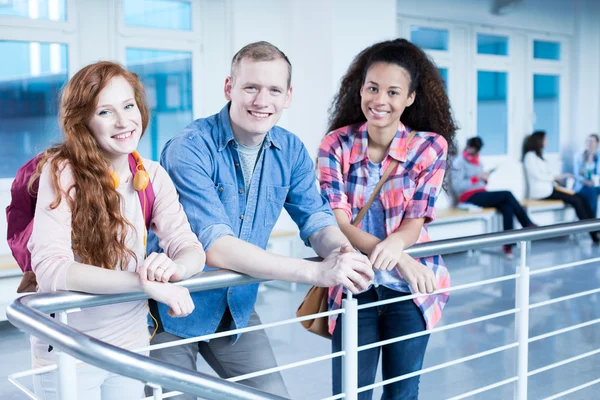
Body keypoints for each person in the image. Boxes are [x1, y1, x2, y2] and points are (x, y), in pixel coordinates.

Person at [147, 41, 374, 399]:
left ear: (288, 96)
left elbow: (316, 217)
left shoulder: (291, 150)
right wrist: (316, 272)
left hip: (235, 306)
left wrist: (341, 251)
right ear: (229, 88)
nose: (261, 100)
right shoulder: (188, 147)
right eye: (250, 87)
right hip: (171, 308)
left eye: (273, 90)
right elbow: (215, 246)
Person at [27, 62, 206, 399]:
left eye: (128, 106)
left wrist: (176, 268)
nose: (124, 121)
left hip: (131, 342)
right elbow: (52, 269)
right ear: (83, 122)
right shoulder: (61, 171)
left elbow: (190, 247)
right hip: (68, 347)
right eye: (105, 112)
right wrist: (146, 285)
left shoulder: (151, 175)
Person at [318, 39, 456, 400]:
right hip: (353, 285)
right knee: (351, 393)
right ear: (359, 89)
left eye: (393, 92)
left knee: (402, 395)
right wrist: (403, 260)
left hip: (410, 293)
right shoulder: (336, 144)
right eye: (373, 88)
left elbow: (416, 220)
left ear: (410, 98)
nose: (380, 100)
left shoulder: (429, 147)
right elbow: (338, 223)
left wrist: (398, 247)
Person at [452, 136, 536, 258]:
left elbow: (479, 182)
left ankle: (508, 246)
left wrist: (485, 179)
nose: (474, 152)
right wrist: (477, 178)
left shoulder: (477, 161)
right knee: (507, 194)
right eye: (472, 149)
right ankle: (526, 223)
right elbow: (458, 186)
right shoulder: (458, 162)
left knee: (507, 206)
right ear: (468, 146)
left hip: (481, 193)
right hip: (468, 197)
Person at [523, 130, 599, 243]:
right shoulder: (529, 156)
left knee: (581, 198)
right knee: (577, 200)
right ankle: (593, 234)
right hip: (542, 192)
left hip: (551, 189)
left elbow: (548, 175)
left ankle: (595, 229)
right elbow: (538, 176)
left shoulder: (540, 157)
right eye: (545, 139)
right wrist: (557, 178)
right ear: (538, 141)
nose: (547, 141)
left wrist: (558, 180)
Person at [574, 133, 600, 217]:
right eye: (588, 141)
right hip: (583, 186)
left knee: (593, 190)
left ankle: (592, 223)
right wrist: (586, 182)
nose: (589, 143)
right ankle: (593, 222)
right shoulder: (579, 156)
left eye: (592, 141)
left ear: (597, 144)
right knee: (592, 191)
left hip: (596, 185)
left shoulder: (598, 157)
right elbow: (577, 176)